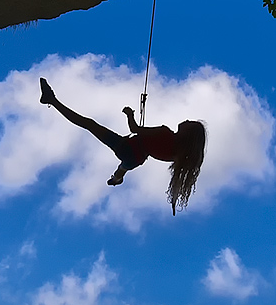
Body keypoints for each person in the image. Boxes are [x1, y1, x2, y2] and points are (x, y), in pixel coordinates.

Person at [40, 77, 206, 215]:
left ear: (188, 134)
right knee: (123, 168)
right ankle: (116, 179)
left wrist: (129, 114)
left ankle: (52, 100)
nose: (186, 120)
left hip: (126, 147)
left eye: (189, 123)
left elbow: (134, 129)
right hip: (136, 159)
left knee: (89, 124)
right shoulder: (176, 154)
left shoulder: (165, 133)